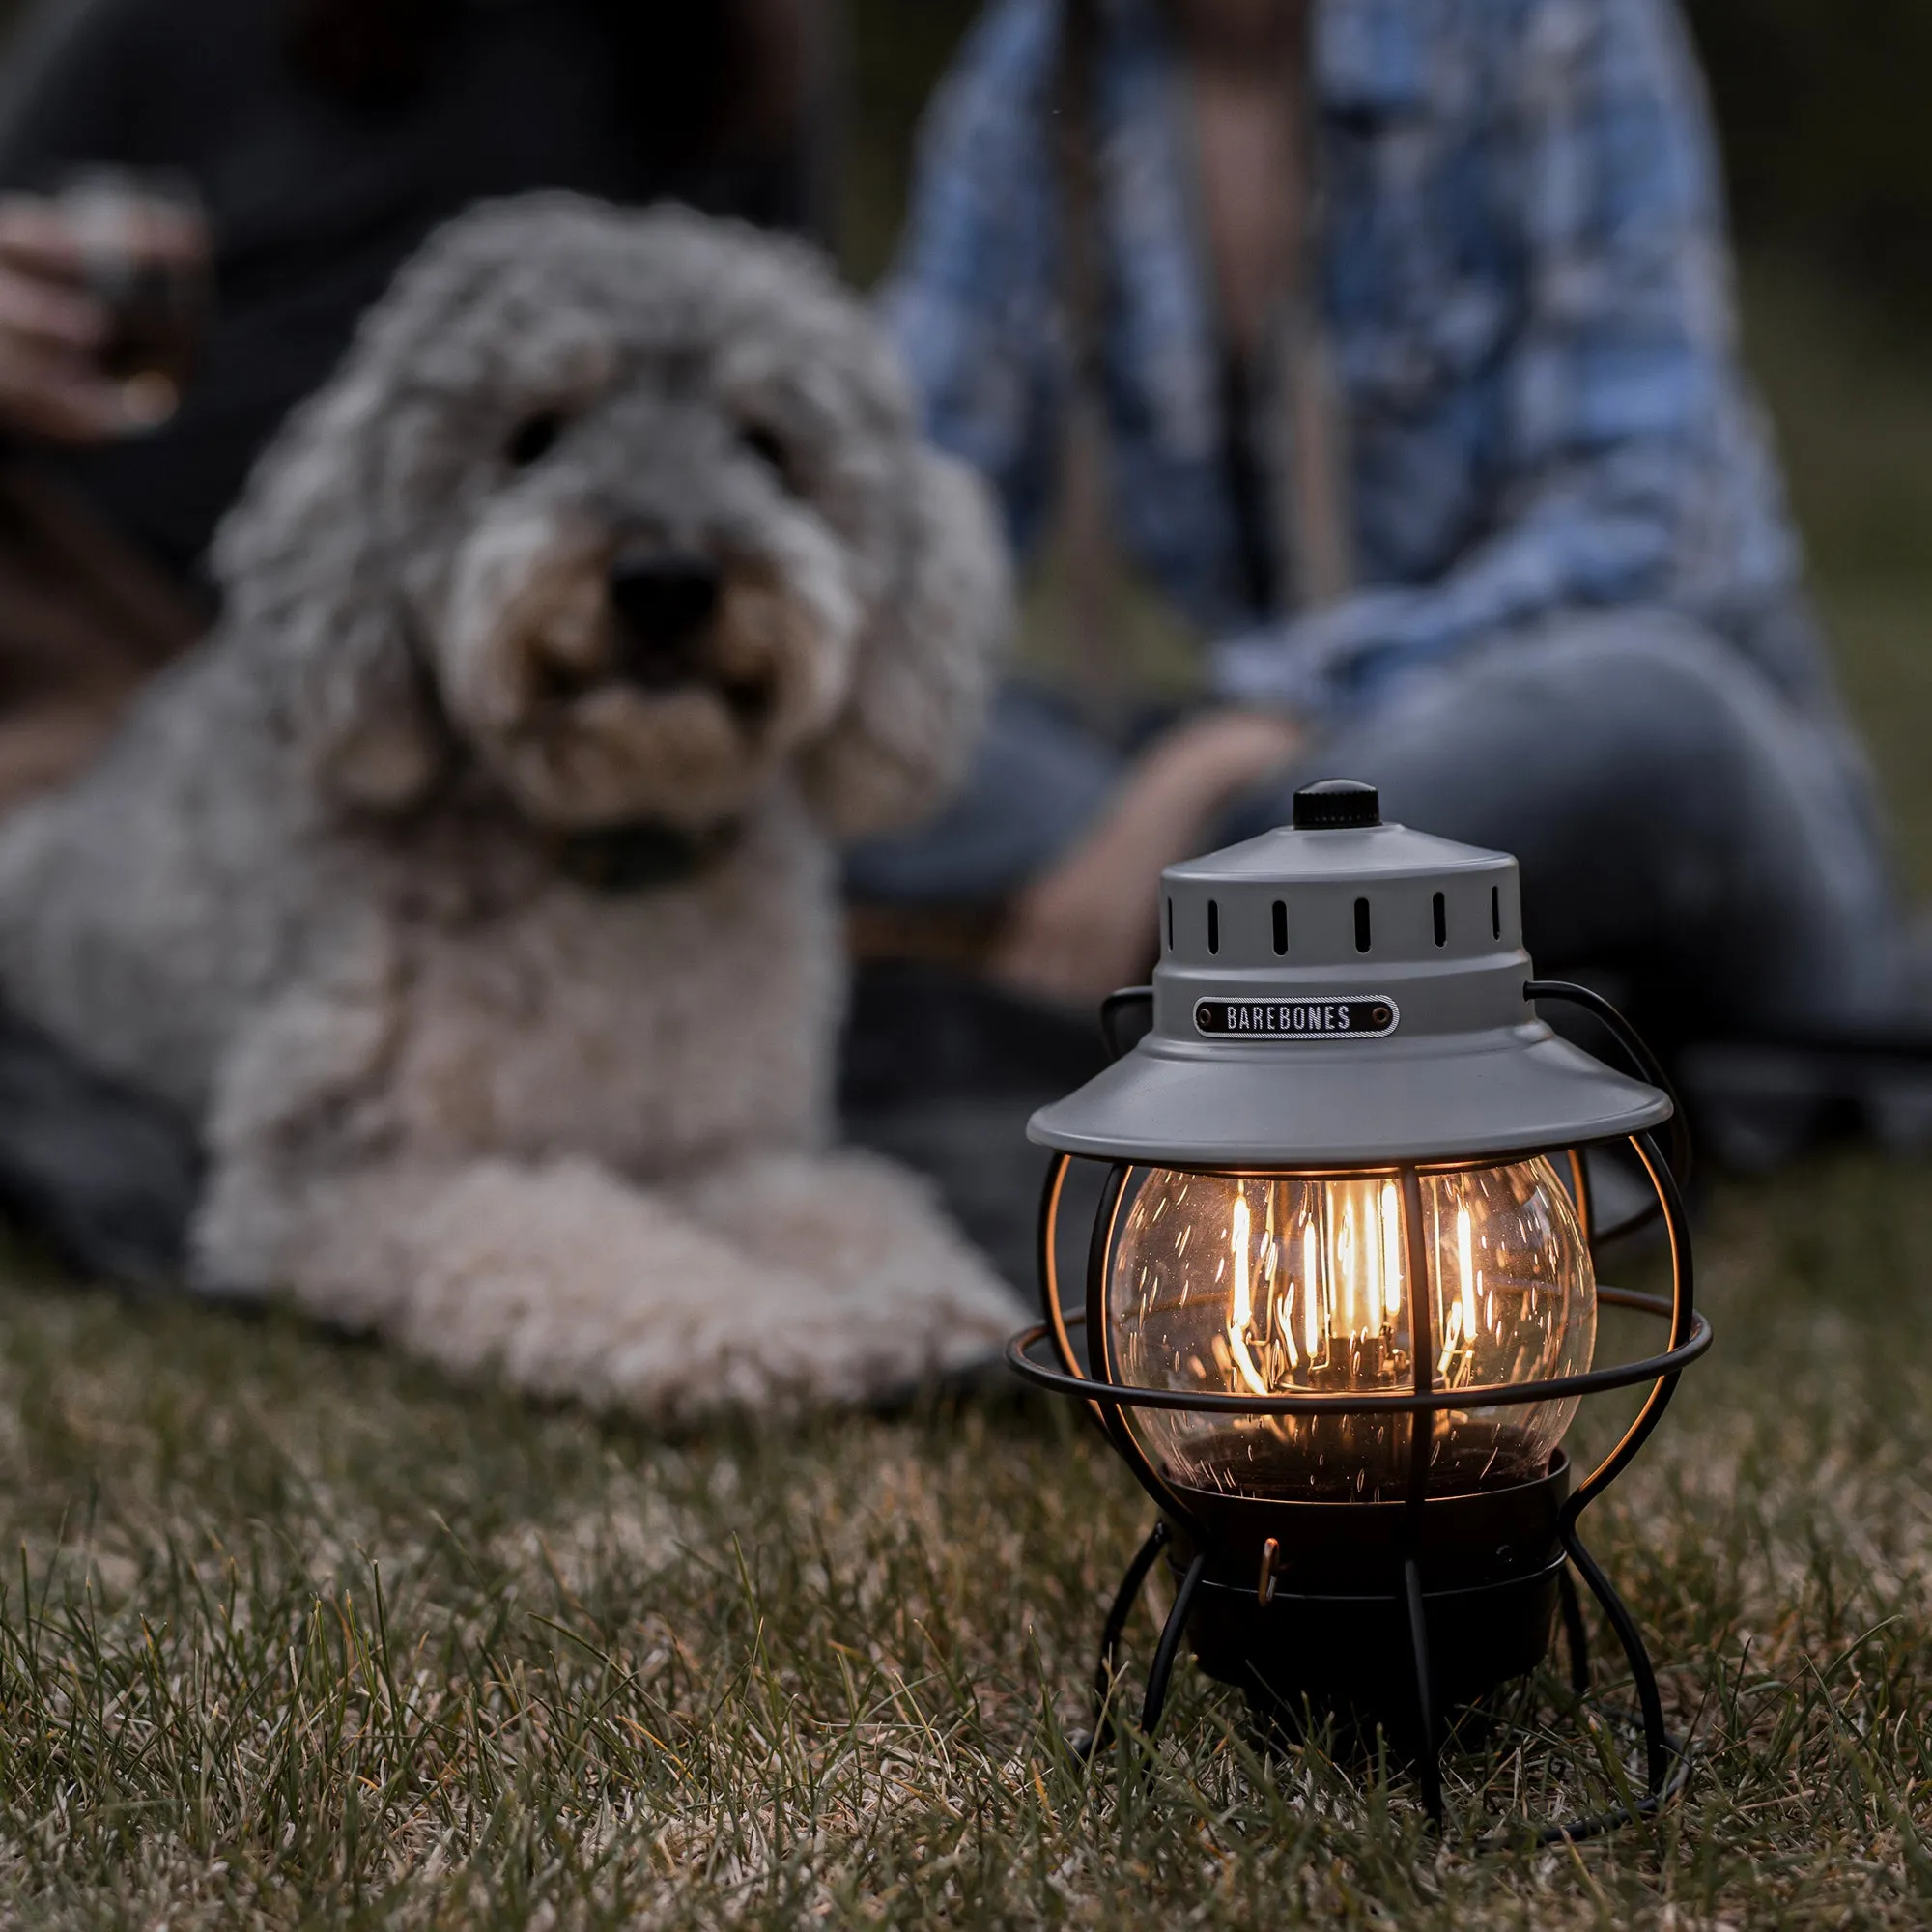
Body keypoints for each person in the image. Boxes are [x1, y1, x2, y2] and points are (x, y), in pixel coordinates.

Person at [856, 0, 1910, 1056]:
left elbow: (1639, 529)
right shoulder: (1043, 61)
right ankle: (1252, 940)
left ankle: (1177, 942)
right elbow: (917, 509)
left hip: (1577, 751)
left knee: (1638, 714)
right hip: (1283, 793)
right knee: (853, 729)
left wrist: (1220, 755)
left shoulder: (1549, 25)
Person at [0, 0, 816, 805]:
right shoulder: (151, 23)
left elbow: (793, 377)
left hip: (544, 659)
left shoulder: (744, 54)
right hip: (109, 602)